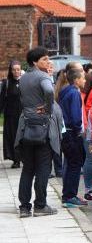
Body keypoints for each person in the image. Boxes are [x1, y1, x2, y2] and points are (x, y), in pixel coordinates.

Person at [16, 47, 59, 217]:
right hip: (43, 128)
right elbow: (49, 91)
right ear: (35, 62)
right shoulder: (43, 77)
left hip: (26, 127)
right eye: (44, 59)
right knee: (43, 167)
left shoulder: (24, 78)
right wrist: (48, 108)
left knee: (27, 169)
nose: (48, 62)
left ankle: (24, 207)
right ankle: (40, 205)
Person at [59, 69, 87, 208]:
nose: (85, 80)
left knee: (70, 163)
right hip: (72, 132)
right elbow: (76, 116)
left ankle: (68, 195)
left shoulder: (64, 91)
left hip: (65, 132)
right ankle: (70, 196)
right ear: (76, 80)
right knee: (75, 164)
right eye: (83, 78)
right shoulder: (75, 93)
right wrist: (79, 130)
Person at [1, 60, 23, 168]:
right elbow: (2, 100)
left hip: (23, 115)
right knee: (13, 137)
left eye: (18, 69)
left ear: (21, 70)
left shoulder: (25, 82)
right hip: (10, 116)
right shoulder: (7, 83)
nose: (16, 72)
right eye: (14, 70)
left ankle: (25, 158)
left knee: (24, 137)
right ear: (11, 71)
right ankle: (16, 159)